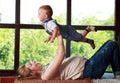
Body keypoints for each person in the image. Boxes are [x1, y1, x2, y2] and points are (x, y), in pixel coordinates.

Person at [17, 34, 120, 80]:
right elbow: (61, 54)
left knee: (110, 43)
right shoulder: (46, 75)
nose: (34, 61)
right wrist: (58, 35)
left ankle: (117, 73)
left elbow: (58, 55)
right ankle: (118, 75)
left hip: (89, 64)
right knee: (112, 44)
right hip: (89, 69)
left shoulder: (45, 69)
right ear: (33, 72)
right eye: (31, 64)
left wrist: (57, 34)